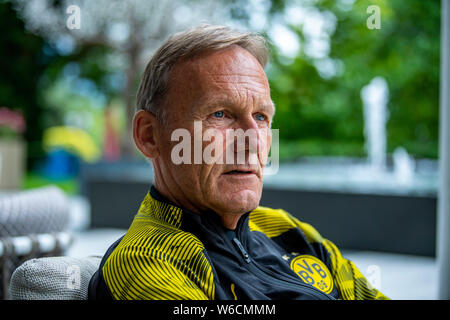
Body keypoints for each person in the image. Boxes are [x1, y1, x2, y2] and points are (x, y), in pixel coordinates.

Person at [88, 24, 388, 300]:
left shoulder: (288, 230)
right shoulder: (145, 264)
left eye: (261, 117)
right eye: (220, 114)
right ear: (150, 136)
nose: (254, 140)